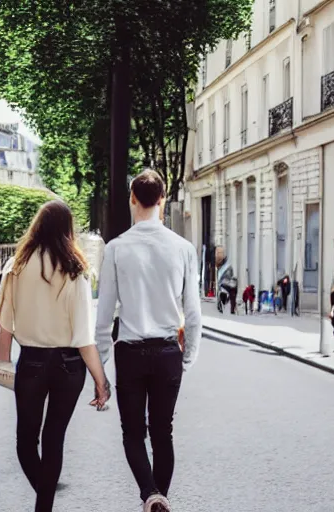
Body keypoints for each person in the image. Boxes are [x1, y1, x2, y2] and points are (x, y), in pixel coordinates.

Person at [0, 200, 110, 512]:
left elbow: (4, 324)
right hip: (69, 366)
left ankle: (44, 501)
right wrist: (101, 380)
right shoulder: (76, 271)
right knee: (54, 440)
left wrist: (2, 363)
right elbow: (83, 337)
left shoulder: (17, 267)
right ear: (67, 230)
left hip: (32, 363)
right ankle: (45, 501)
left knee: (26, 443)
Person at [95, 170, 202, 512]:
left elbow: (104, 316)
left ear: (131, 198)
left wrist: (100, 370)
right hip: (168, 350)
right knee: (163, 433)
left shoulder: (116, 248)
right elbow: (194, 313)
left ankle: (150, 495)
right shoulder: (183, 248)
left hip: (130, 352)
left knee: (133, 433)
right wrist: (186, 358)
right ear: (162, 200)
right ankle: (159, 498)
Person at [216, 246, 237, 314]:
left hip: (225, 286)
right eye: (218, 253)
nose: (219, 254)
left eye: (221, 253)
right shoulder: (215, 264)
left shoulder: (228, 267)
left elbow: (231, 278)